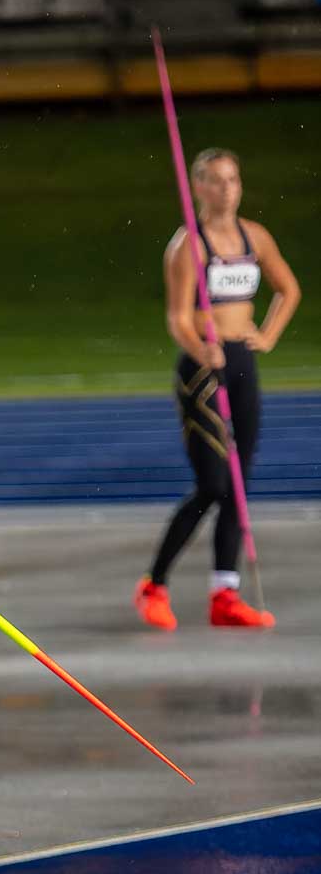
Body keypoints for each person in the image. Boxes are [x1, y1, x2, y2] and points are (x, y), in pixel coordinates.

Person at [134, 148, 301, 631]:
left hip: (242, 362)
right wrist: (200, 348)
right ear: (198, 187)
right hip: (202, 368)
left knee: (239, 487)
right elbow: (177, 318)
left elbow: (289, 289)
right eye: (216, 181)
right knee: (213, 484)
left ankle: (225, 595)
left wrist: (267, 336)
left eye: (233, 180)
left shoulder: (255, 237)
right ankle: (153, 585)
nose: (227, 189)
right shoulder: (188, 245)